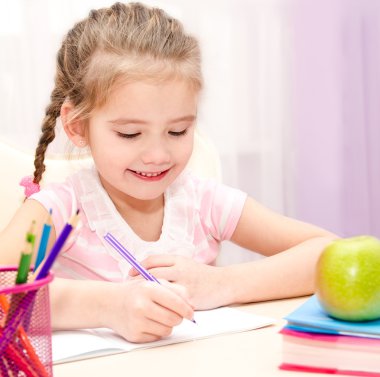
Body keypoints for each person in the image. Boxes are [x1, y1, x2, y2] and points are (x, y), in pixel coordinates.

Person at [0, 2, 337, 343]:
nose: (158, 155)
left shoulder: (204, 203)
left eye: (177, 131)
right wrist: (106, 306)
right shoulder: (60, 209)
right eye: (130, 134)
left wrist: (220, 284)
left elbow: (331, 254)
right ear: (77, 127)